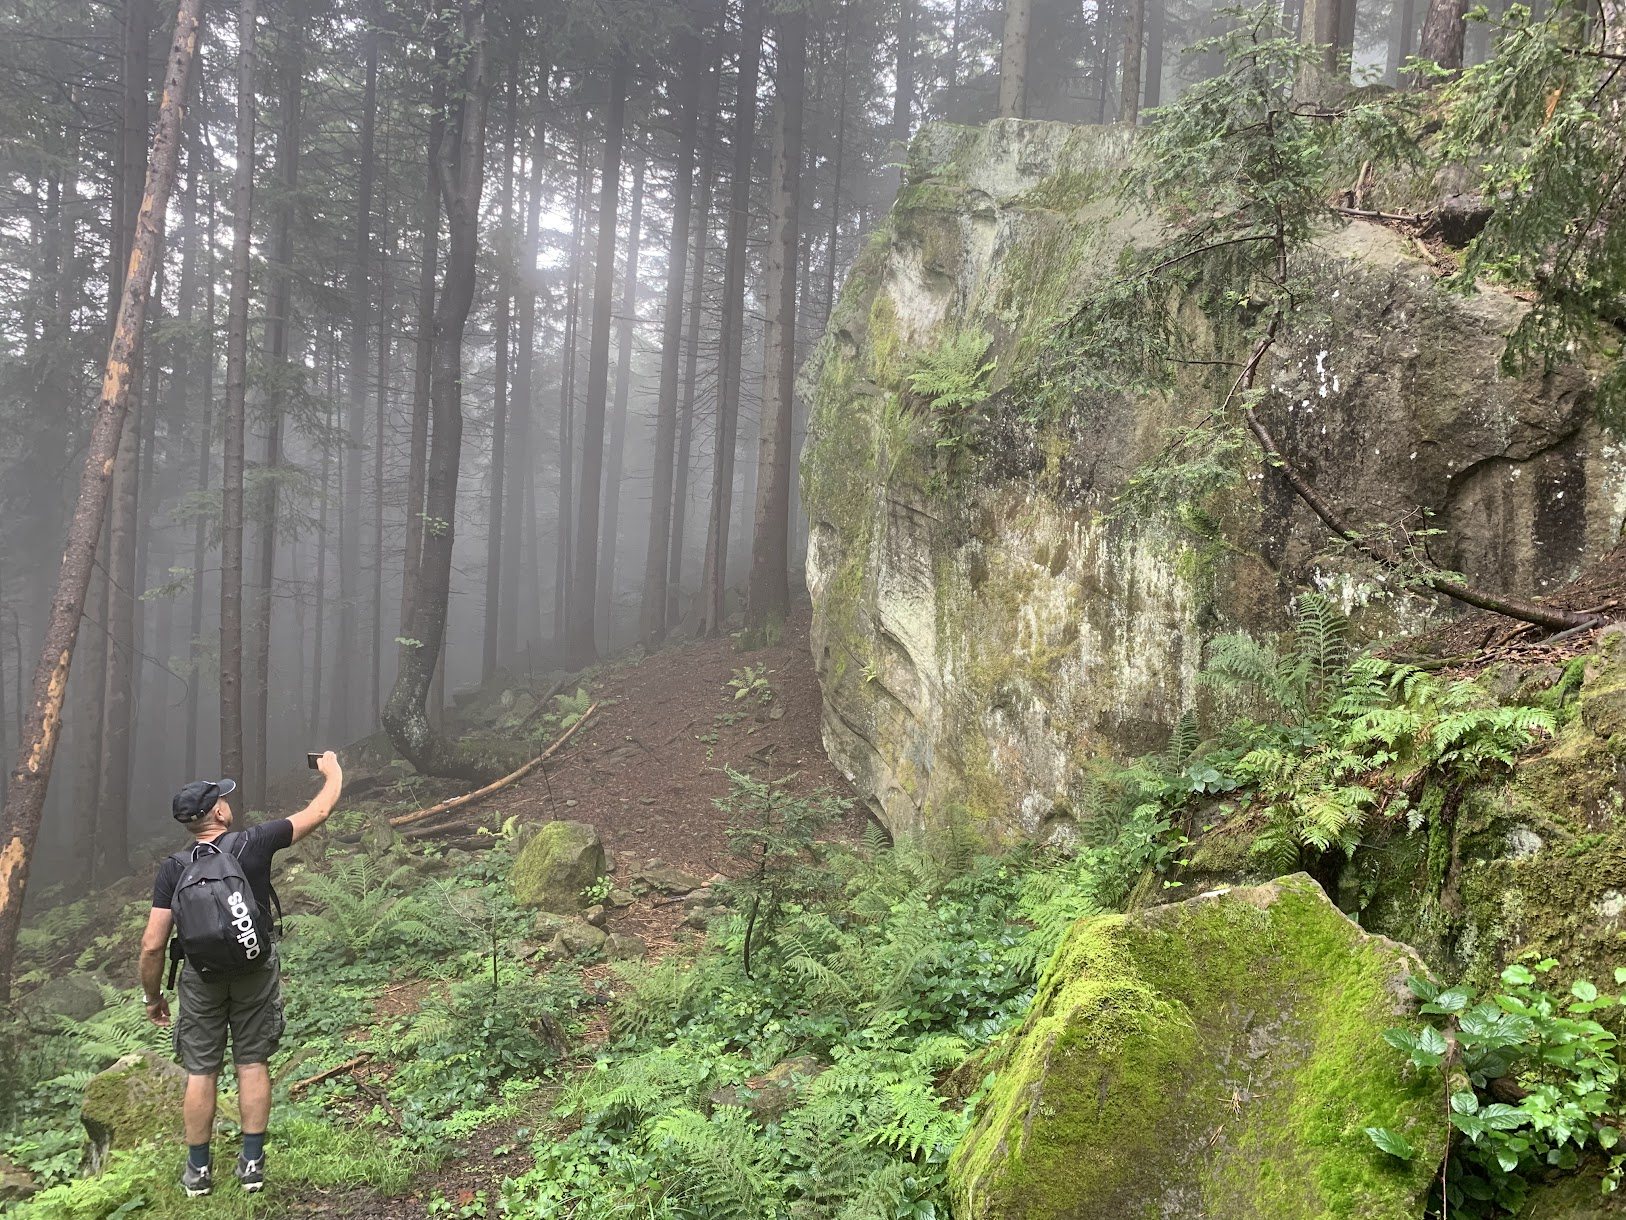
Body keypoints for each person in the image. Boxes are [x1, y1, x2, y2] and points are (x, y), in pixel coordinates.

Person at [138, 752, 343, 1197]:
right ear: (218, 812)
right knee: (251, 1061)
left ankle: (198, 1173)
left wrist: (153, 998)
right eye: (223, 800)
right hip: (254, 968)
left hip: (201, 977)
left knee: (201, 1070)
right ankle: (251, 1165)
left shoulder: (174, 869)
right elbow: (319, 811)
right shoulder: (252, 842)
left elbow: (153, 943)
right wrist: (333, 771)